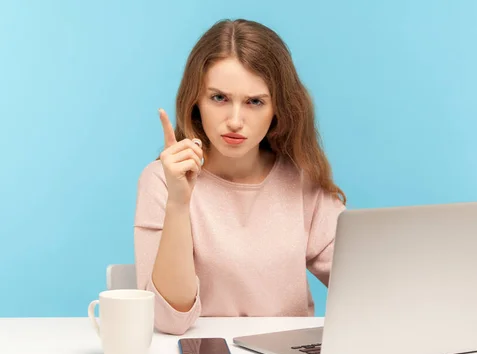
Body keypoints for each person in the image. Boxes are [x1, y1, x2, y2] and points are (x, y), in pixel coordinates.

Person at [133, 18, 347, 335]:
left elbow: (370, 288)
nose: (235, 121)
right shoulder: (161, 180)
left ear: (279, 109)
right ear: (196, 102)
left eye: (255, 102)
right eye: (219, 98)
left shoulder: (301, 181)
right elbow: (169, 320)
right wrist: (179, 202)